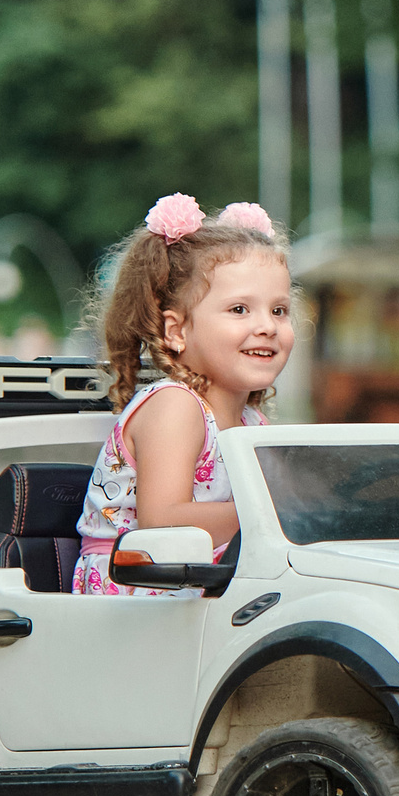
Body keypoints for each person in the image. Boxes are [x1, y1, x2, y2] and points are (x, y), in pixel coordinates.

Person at [70, 196, 293, 595]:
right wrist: (276, 512)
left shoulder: (251, 421)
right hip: (137, 593)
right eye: (240, 309)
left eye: (279, 310)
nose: (267, 326)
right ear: (177, 331)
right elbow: (163, 521)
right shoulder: (176, 406)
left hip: (198, 582)